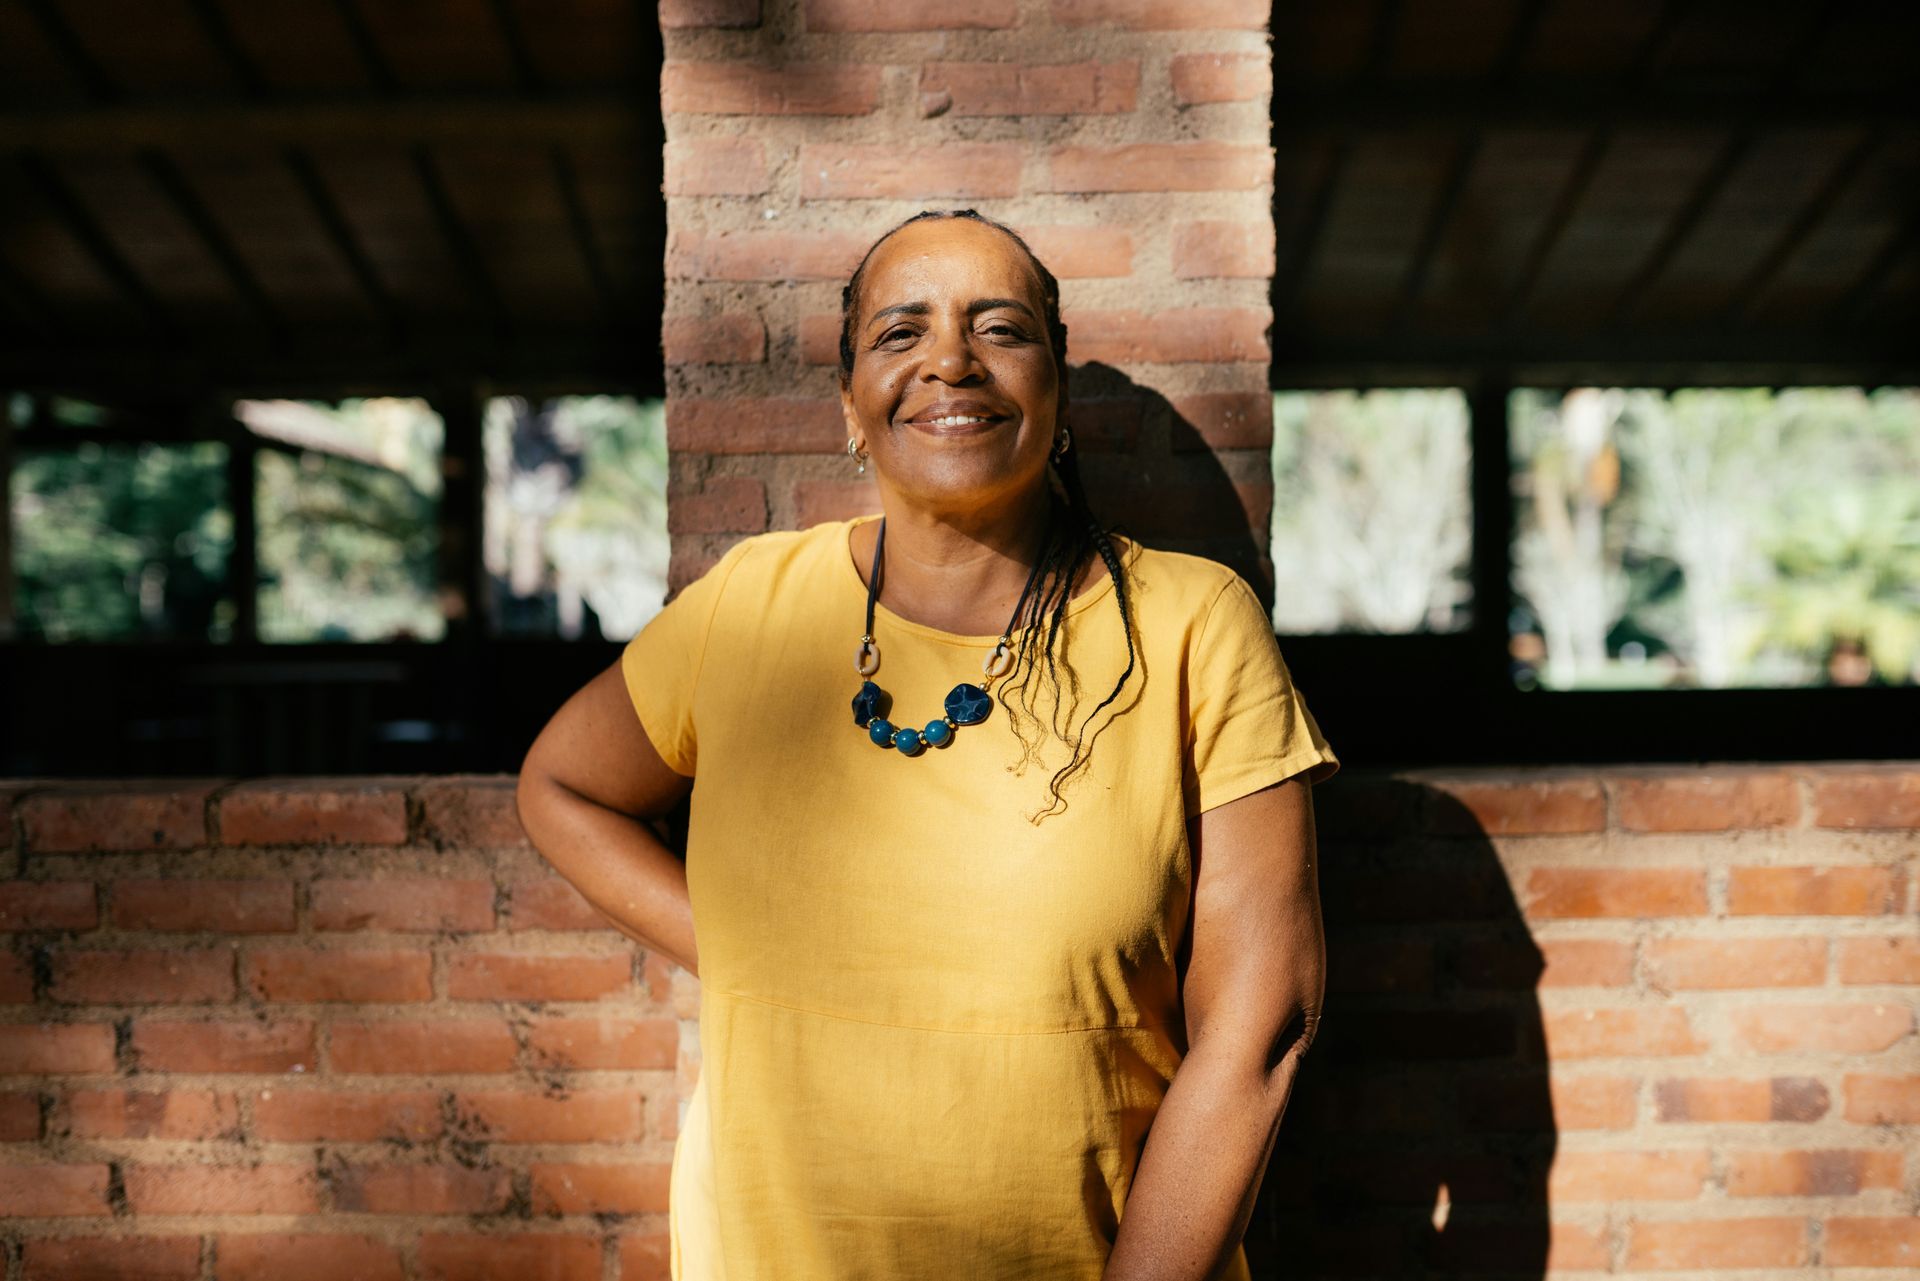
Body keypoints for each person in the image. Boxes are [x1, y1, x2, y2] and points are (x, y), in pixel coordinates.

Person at [516, 209, 1340, 1280]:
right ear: (850, 404)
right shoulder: (749, 606)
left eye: (1000, 329)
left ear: (1057, 389)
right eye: (901, 333)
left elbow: (1261, 1024)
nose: (951, 360)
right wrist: (751, 953)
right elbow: (564, 787)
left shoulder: (1192, 625)